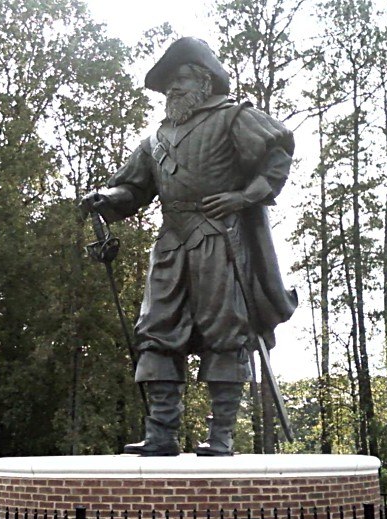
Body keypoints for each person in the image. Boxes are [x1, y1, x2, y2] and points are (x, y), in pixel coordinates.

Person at [80, 37, 296, 457]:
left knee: (225, 331)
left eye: (179, 80)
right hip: (171, 244)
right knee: (157, 330)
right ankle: (161, 434)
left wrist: (245, 197)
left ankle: (221, 437)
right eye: (167, 85)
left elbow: (278, 154)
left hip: (220, 239)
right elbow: (134, 188)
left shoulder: (234, 117)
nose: (172, 90)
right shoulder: (156, 141)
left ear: (203, 81)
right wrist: (107, 199)